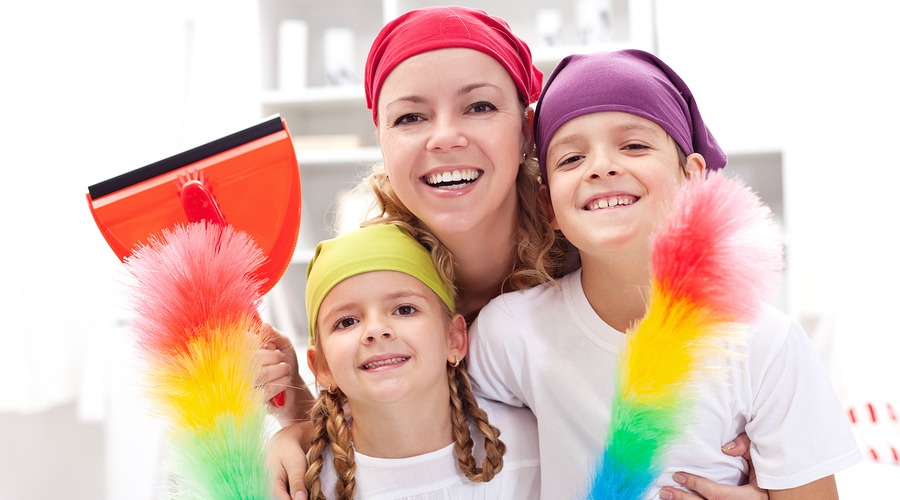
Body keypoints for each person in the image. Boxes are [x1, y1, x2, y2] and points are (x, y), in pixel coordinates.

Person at [263, 6, 769, 499]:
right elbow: (388, 419)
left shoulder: (594, 235)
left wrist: (747, 467)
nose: (444, 137)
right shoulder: (377, 272)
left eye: (479, 106)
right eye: (411, 117)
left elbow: (730, 383)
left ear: (527, 129)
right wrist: (302, 421)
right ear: (382, 140)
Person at [466, 49, 863, 499]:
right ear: (548, 206)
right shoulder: (511, 332)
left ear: (692, 178)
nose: (600, 166)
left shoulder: (765, 343)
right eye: (571, 158)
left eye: (633, 145)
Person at [298, 222, 539, 499]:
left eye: (404, 309)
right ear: (322, 367)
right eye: (347, 321)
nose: (376, 330)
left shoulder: (532, 445)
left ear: (454, 339)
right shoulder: (308, 485)